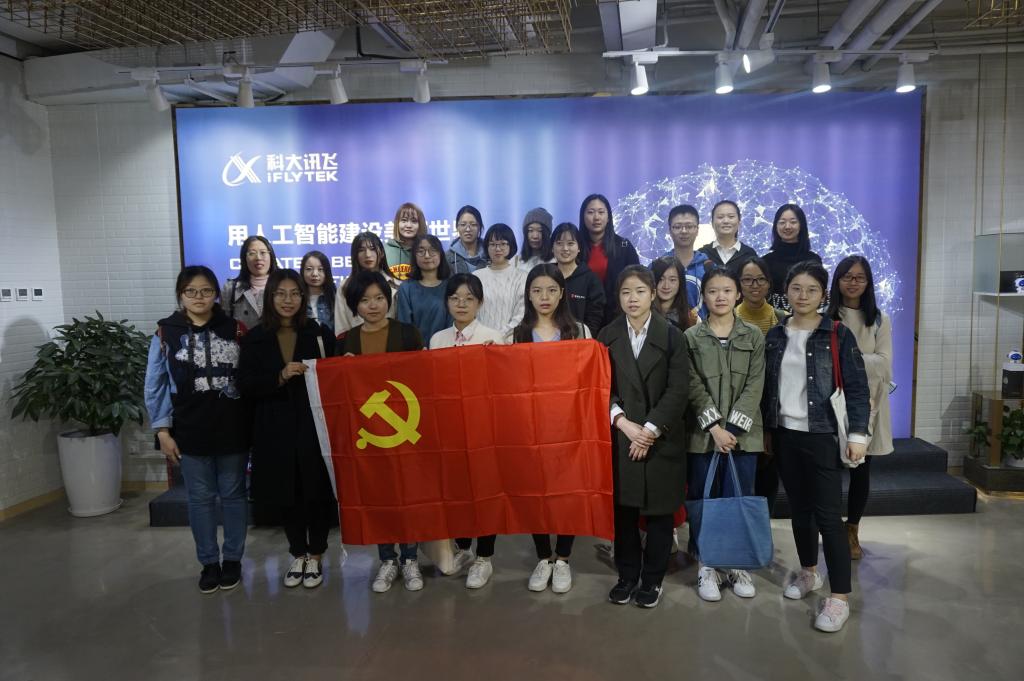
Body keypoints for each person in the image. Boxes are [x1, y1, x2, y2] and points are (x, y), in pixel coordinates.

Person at [762, 261, 870, 633]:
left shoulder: (838, 334)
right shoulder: (775, 335)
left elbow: (857, 388)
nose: (803, 295)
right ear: (786, 292)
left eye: (811, 289)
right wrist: (767, 431)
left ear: (823, 294)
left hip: (823, 436)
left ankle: (839, 598)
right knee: (800, 510)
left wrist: (858, 435)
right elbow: (768, 390)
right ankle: (809, 572)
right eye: (796, 288)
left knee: (828, 516)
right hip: (785, 435)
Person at [144, 266, 249, 594]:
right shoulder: (165, 332)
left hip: (232, 427)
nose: (199, 297)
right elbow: (155, 384)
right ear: (181, 295)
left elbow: (249, 378)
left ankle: (233, 560)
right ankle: (208, 563)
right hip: (189, 429)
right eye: (191, 291)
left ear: (216, 294)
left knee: (233, 496)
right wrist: (162, 431)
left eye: (206, 291)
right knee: (200, 499)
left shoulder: (235, 328)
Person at [237, 269, 336, 590]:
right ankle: (298, 553)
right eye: (280, 293)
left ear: (303, 297)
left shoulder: (318, 333)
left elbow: (335, 376)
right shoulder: (255, 338)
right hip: (274, 427)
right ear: (270, 297)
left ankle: (316, 554)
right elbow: (245, 384)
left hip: (313, 426)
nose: (288, 300)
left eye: (294, 293)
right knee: (287, 492)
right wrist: (278, 377)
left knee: (315, 491)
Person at [599, 265, 689, 609]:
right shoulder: (607, 336)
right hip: (622, 436)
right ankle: (626, 576)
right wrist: (622, 422)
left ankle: (652, 580)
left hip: (660, 439)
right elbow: (600, 386)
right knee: (623, 515)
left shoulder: (672, 336)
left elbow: (678, 390)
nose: (632, 299)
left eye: (639, 291)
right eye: (625, 292)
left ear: (653, 293)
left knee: (659, 515)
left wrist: (649, 430)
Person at [336, 271, 426, 593]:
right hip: (369, 435)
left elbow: (424, 378)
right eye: (364, 300)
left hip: (407, 429)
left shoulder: (407, 333)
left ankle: (410, 558)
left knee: (408, 495)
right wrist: (343, 371)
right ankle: (387, 559)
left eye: (378, 298)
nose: (373, 305)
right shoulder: (346, 341)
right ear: (354, 305)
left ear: (388, 300)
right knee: (379, 495)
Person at [683, 268, 765, 602]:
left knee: (738, 498)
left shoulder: (753, 335)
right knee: (705, 500)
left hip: (743, 437)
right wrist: (715, 428)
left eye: (727, 290)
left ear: (738, 294)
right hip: (704, 436)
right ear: (703, 296)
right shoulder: (691, 337)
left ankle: (737, 564)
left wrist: (731, 430)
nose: (720, 297)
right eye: (713, 291)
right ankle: (706, 565)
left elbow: (755, 384)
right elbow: (692, 385)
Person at [509, 264, 591, 594]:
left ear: (562, 294)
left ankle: (564, 558)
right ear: (528, 295)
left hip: (569, 425)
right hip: (531, 427)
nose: (544, 297)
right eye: (537, 290)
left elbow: (590, 378)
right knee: (536, 492)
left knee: (568, 492)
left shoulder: (579, 331)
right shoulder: (517, 334)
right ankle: (544, 557)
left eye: (552, 290)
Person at [429, 273, 505, 588]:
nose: (461, 304)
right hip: (450, 429)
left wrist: (494, 358)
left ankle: (485, 556)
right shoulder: (437, 339)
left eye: (469, 298)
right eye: (455, 298)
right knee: (456, 490)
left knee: (485, 492)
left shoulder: (493, 338)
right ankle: (463, 548)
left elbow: (503, 388)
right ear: (447, 302)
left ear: (480, 303)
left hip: (483, 430)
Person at [827, 255, 894, 560]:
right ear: (837, 280)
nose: (853, 283)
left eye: (859, 278)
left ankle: (852, 528)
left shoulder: (878, 319)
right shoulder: (826, 316)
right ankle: (830, 528)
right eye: (847, 276)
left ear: (868, 283)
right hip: (830, 401)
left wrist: (845, 360)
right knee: (829, 469)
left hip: (868, 402)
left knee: (861, 469)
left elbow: (884, 364)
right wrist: (861, 361)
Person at [736, 257, 788, 516]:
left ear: (769, 283)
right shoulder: (727, 317)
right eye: (747, 280)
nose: (754, 285)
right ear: (739, 284)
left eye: (760, 279)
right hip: (739, 405)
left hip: (774, 406)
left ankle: (761, 526)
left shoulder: (783, 320)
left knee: (768, 471)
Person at [579, 194, 640, 327]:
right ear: (583, 217)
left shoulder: (624, 246)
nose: (596, 217)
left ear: (608, 217)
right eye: (590, 212)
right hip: (582, 316)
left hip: (616, 316)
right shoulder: (574, 247)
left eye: (601, 212)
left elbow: (637, 280)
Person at [334, 232, 399, 336]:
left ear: (382, 253)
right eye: (361, 250)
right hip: (356, 343)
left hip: (391, 342)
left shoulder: (396, 285)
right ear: (355, 256)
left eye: (372, 249)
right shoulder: (345, 287)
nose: (367, 255)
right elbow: (341, 327)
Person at [762, 204, 822, 310]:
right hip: (774, 317)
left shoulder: (814, 260)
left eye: (793, 222)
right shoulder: (766, 261)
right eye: (782, 222)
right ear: (775, 226)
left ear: (801, 225)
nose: (787, 226)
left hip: (807, 316)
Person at [551, 222, 605, 337]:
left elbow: (595, 316)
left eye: (570, 243)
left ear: (579, 247)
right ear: (552, 247)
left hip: (580, 340)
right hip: (547, 340)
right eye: (559, 243)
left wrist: (584, 338)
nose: (565, 249)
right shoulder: (546, 276)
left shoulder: (591, 279)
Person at [396, 234, 452, 343]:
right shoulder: (406, 288)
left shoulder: (451, 286)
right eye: (421, 251)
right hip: (417, 350)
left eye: (432, 250)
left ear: (440, 254)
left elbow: (453, 323)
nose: (427, 256)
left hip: (446, 348)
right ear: (414, 256)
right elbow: (405, 326)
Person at [475, 223, 527, 338]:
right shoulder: (476, 277)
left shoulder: (522, 277)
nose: (497, 249)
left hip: (510, 341)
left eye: (503, 244)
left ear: (511, 245)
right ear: (486, 247)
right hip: (479, 340)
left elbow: (521, 314)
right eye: (492, 244)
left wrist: (498, 336)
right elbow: (471, 313)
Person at [661, 204, 710, 313]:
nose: (683, 231)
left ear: (697, 230)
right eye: (677, 227)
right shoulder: (658, 266)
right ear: (670, 230)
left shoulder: (708, 267)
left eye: (689, 226)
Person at [222, 235, 278, 330]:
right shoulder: (230, 289)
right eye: (252, 253)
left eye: (263, 252)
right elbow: (224, 325)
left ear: (271, 256)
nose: (258, 258)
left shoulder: (283, 286)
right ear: (244, 258)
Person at [697, 200, 758, 273]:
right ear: (712, 223)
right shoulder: (702, 254)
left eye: (731, 217)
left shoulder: (749, 254)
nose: (726, 221)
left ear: (739, 222)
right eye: (720, 217)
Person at [384, 202, 428, 281]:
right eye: (404, 220)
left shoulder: (427, 251)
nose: (408, 225)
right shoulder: (384, 250)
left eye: (414, 221)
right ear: (397, 223)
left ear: (420, 224)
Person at [651, 257, 695, 330]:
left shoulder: (691, 316)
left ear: (680, 282)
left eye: (672, 280)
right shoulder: (643, 313)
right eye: (661, 279)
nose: (666, 286)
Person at [300, 250, 336, 332]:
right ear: (302, 271)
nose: (315, 274)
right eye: (309, 269)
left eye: (320, 269)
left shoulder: (335, 296)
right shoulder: (297, 298)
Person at [447, 205, 488, 274]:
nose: (468, 229)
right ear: (457, 227)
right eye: (463, 224)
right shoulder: (448, 257)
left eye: (473, 224)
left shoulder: (489, 254)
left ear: (480, 227)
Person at [517, 207, 555, 272]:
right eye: (530, 230)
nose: (535, 236)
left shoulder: (555, 261)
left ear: (547, 234)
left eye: (540, 231)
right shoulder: (517, 261)